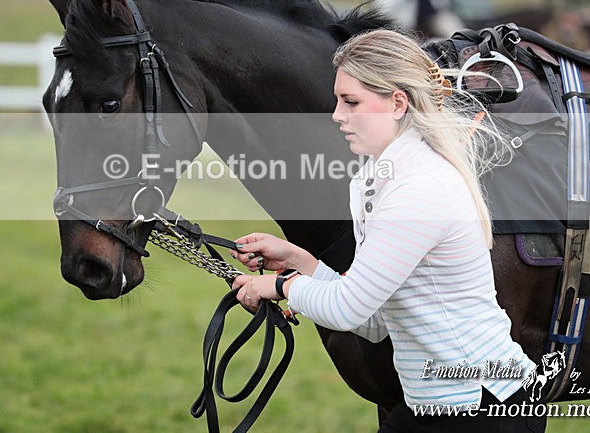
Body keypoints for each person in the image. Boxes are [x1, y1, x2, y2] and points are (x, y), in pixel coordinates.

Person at [230, 29, 544, 432]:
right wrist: (300, 261)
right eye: (338, 100)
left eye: (351, 102)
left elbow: (349, 308)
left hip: (482, 405)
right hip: (440, 404)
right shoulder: (384, 178)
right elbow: (376, 321)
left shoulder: (418, 187)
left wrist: (278, 286)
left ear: (397, 103)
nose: (337, 115)